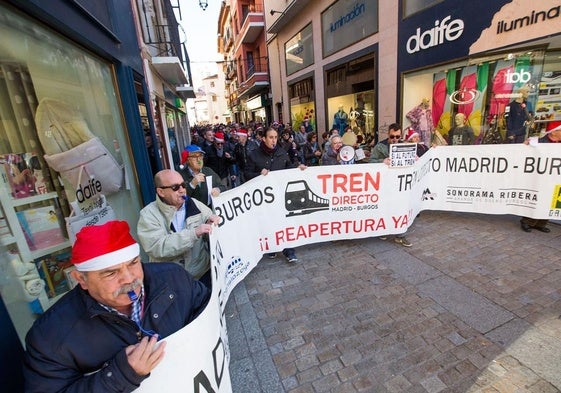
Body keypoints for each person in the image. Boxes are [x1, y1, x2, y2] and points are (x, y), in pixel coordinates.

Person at [23, 220, 210, 392]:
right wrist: (120, 374)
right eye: (111, 273)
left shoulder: (173, 277)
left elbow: (207, 309)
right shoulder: (49, 337)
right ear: (82, 279)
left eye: (133, 263)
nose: (129, 279)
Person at [137, 169, 219, 287]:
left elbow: (209, 230)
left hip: (202, 275)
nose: (182, 190)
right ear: (161, 192)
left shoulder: (195, 203)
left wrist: (210, 223)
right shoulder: (148, 215)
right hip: (172, 282)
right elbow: (157, 246)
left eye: (183, 185)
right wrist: (194, 233)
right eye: (175, 187)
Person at [245, 127, 306, 263]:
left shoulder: (281, 152)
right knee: (268, 222)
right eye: (271, 137)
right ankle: (271, 247)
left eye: (275, 137)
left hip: (280, 195)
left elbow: (289, 167)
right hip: (263, 197)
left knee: (284, 222)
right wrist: (258, 174)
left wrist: (298, 168)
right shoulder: (254, 154)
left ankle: (288, 250)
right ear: (264, 138)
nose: (274, 140)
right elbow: (246, 174)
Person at [369, 123, 413, 247]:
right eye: (392, 136)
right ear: (388, 134)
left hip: (400, 184)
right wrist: (382, 161)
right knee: (385, 207)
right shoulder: (380, 146)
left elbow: (416, 157)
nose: (395, 139)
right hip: (385, 184)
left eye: (397, 137)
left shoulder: (405, 146)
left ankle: (400, 235)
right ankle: (383, 230)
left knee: (400, 208)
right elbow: (371, 161)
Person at [519, 124, 560, 233]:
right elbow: (523, 153)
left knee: (550, 200)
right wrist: (525, 145)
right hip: (540, 177)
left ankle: (541, 223)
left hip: (554, 178)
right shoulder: (538, 142)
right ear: (553, 132)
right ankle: (527, 221)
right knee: (536, 198)